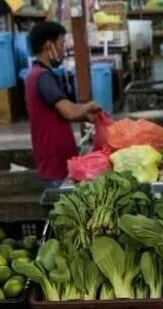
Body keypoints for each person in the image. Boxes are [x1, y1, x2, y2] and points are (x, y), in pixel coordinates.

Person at [24, 21, 102, 187]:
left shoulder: (37, 75)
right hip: (55, 165)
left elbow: (57, 114)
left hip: (53, 161)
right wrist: (89, 106)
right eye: (61, 44)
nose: (63, 49)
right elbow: (69, 112)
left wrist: (84, 115)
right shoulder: (42, 77)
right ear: (48, 45)